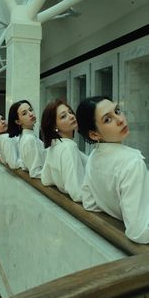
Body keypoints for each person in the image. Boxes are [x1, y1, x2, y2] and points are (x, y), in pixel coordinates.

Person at [76, 96, 149, 244]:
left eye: (117, 111)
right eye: (107, 119)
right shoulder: (132, 162)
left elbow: (89, 202)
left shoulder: (93, 157)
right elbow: (138, 232)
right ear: (94, 134)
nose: (120, 119)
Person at [41, 100, 87, 202]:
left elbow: (45, 179)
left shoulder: (55, 146)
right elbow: (78, 194)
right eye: (63, 116)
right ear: (54, 126)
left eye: (70, 112)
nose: (71, 116)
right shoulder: (68, 148)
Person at [8, 100, 46, 178]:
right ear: (18, 121)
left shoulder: (27, 136)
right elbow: (35, 172)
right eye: (24, 113)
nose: (31, 114)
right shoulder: (29, 139)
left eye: (31, 110)